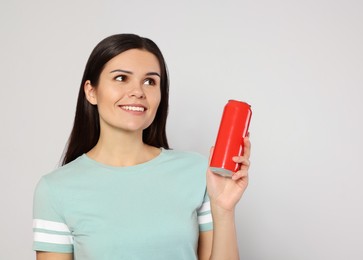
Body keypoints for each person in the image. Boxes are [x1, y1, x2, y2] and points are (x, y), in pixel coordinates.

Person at [32, 33, 251, 260]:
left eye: (150, 81)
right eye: (121, 78)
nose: (138, 91)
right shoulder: (55, 189)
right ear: (91, 91)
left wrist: (224, 210)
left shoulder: (198, 172)